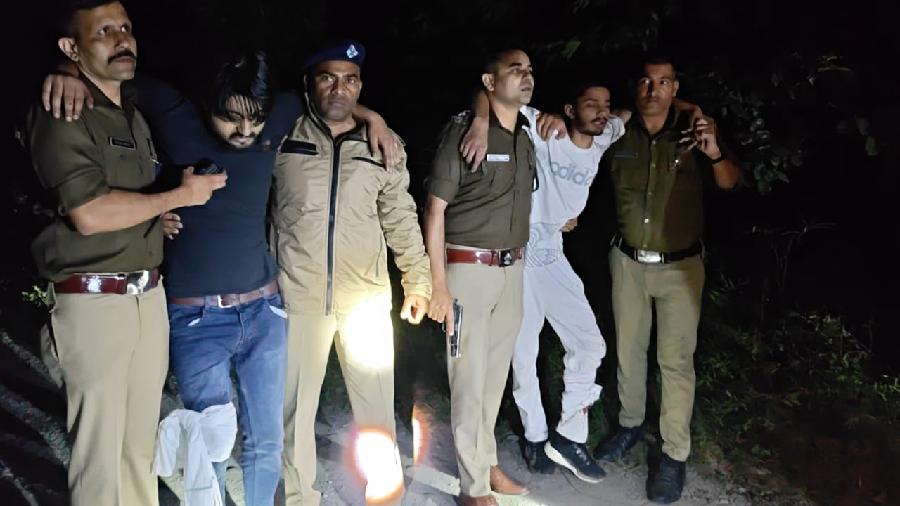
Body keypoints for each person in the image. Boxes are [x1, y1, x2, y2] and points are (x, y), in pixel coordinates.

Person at [41, 48, 399, 506]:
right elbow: (108, 79)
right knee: (209, 442)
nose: (246, 131)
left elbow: (330, 98)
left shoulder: (280, 113)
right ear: (206, 102)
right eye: (231, 118)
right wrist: (65, 71)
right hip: (195, 318)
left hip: (265, 310)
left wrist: (374, 118)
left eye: (256, 120)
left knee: (266, 441)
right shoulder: (174, 114)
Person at [26, 1, 225, 505]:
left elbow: (126, 197)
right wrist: (178, 196)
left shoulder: (131, 112)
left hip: (146, 296)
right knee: (99, 459)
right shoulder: (64, 110)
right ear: (71, 48)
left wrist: (155, 216)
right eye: (103, 32)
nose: (122, 39)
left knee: (140, 452)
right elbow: (89, 213)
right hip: (94, 303)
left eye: (126, 28)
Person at [272, 40, 432, 506]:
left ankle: (385, 494)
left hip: (364, 298)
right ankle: (300, 496)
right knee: (293, 411)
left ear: (360, 87)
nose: (338, 88)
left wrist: (417, 279)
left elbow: (400, 215)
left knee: (376, 408)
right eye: (327, 77)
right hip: (296, 294)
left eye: (349, 80)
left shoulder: (382, 144)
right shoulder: (284, 135)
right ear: (309, 83)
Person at [593, 53, 741, 504]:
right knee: (628, 350)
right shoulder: (617, 131)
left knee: (675, 362)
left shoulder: (696, 131)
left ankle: (674, 454)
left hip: (680, 267)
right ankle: (630, 425)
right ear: (634, 87)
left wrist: (715, 151)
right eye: (645, 81)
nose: (653, 89)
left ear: (675, 88)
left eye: (663, 82)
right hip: (627, 261)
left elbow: (729, 182)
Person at [424, 48, 536, 506]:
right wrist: (438, 286)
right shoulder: (462, 133)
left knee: (492, 380)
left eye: (530, 70)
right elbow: (434, 211)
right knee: (469, 382)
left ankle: (485, 462)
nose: (526, 77)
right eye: (515, 70)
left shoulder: (525, 136)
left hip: (512, 271)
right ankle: (472, 488)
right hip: (468, 270)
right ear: (490, 83)